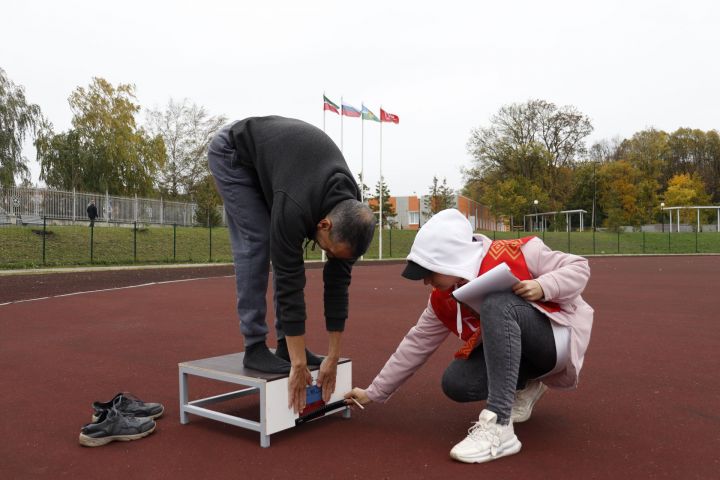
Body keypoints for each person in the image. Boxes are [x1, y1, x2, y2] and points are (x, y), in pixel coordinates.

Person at [345, 209, 593, 463]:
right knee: (456, 382)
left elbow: (579, 267)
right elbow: (415, 344)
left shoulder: (520, 252)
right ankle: (527, 384)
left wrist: (544, 286)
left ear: (451, 259)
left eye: (429, 272)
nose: (425, 281)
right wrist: (373, 392)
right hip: (519, 352)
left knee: (498, 304)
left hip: (555, 342)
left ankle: (499, 424)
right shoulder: (442, 299)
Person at [208, 116, 376, 413]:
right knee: (259, 242)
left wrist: (333, 355)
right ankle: (255, 345)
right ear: (323, 224)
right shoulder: (296, 204)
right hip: (234, 154)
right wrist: (298, 365)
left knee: (284, 245)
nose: (326, 253)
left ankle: (286, 343)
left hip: (283, 166)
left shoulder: (350, 212)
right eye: (328, 248)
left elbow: (338, 284)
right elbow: (289, 279)